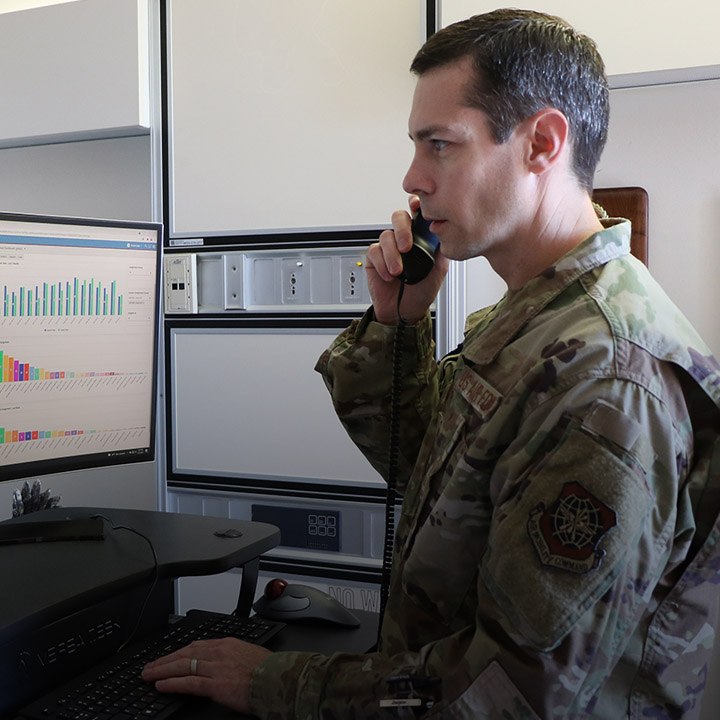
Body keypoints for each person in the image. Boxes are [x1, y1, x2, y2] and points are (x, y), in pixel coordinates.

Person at [143, 8, 720, 718]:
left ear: (541, 142)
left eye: (439, 145)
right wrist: (400, 322)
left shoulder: (606, 376)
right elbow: (431, 477)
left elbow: (508, 692)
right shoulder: (535, 321)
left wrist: (274, 683)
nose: (414, 177)